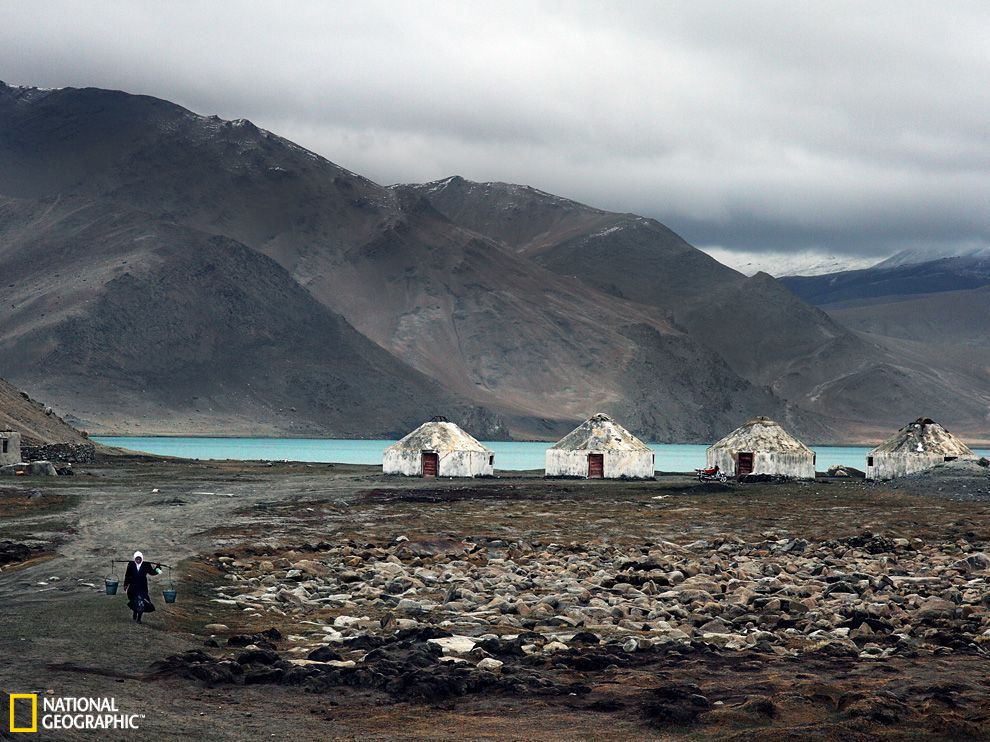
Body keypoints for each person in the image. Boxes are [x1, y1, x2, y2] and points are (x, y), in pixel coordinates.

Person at [123, 551, 161, 623]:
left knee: (142, 602)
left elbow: (153, 572)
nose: (138, 560)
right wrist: (126, 585)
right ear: (134, 559)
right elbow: (127, 575)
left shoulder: (146, 564)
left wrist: (158, 567)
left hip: (142, 587)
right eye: (136, 559)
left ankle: (139, 618)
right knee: (135, 601)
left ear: (142, 558)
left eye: (139, 559)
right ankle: (135, 612)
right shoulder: (131, 564)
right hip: (133, 587)